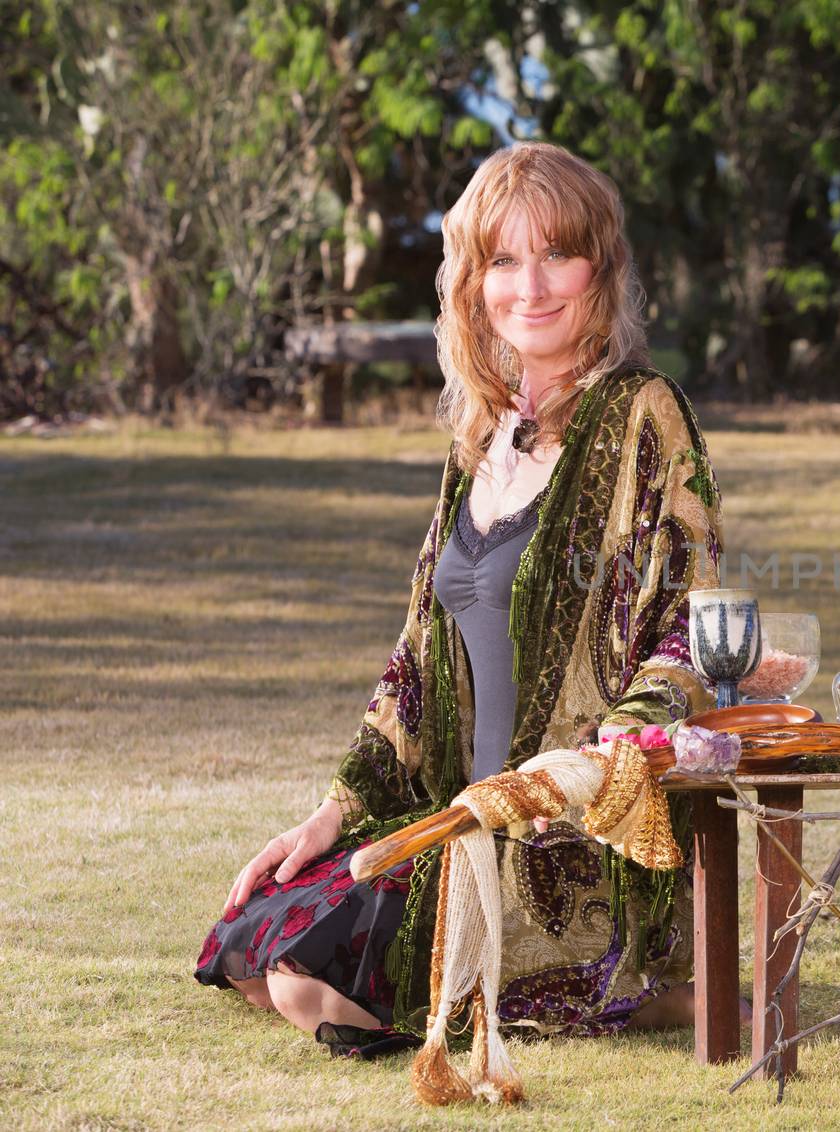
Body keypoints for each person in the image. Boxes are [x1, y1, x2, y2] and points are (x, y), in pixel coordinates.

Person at [194, 142, 725, 1053]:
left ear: (601, 264)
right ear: (471, 283)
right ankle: (507, 993)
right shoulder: (479, 441)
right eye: (503, 261)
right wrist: (332, 813)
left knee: (301, 980)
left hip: (566, 842)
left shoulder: (644, 410)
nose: (532, 286)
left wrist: (598, 758)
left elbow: (688, 628)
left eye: (557, 253)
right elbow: (413, 662)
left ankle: (628, 981)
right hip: (457, 813)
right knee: (252, 945)